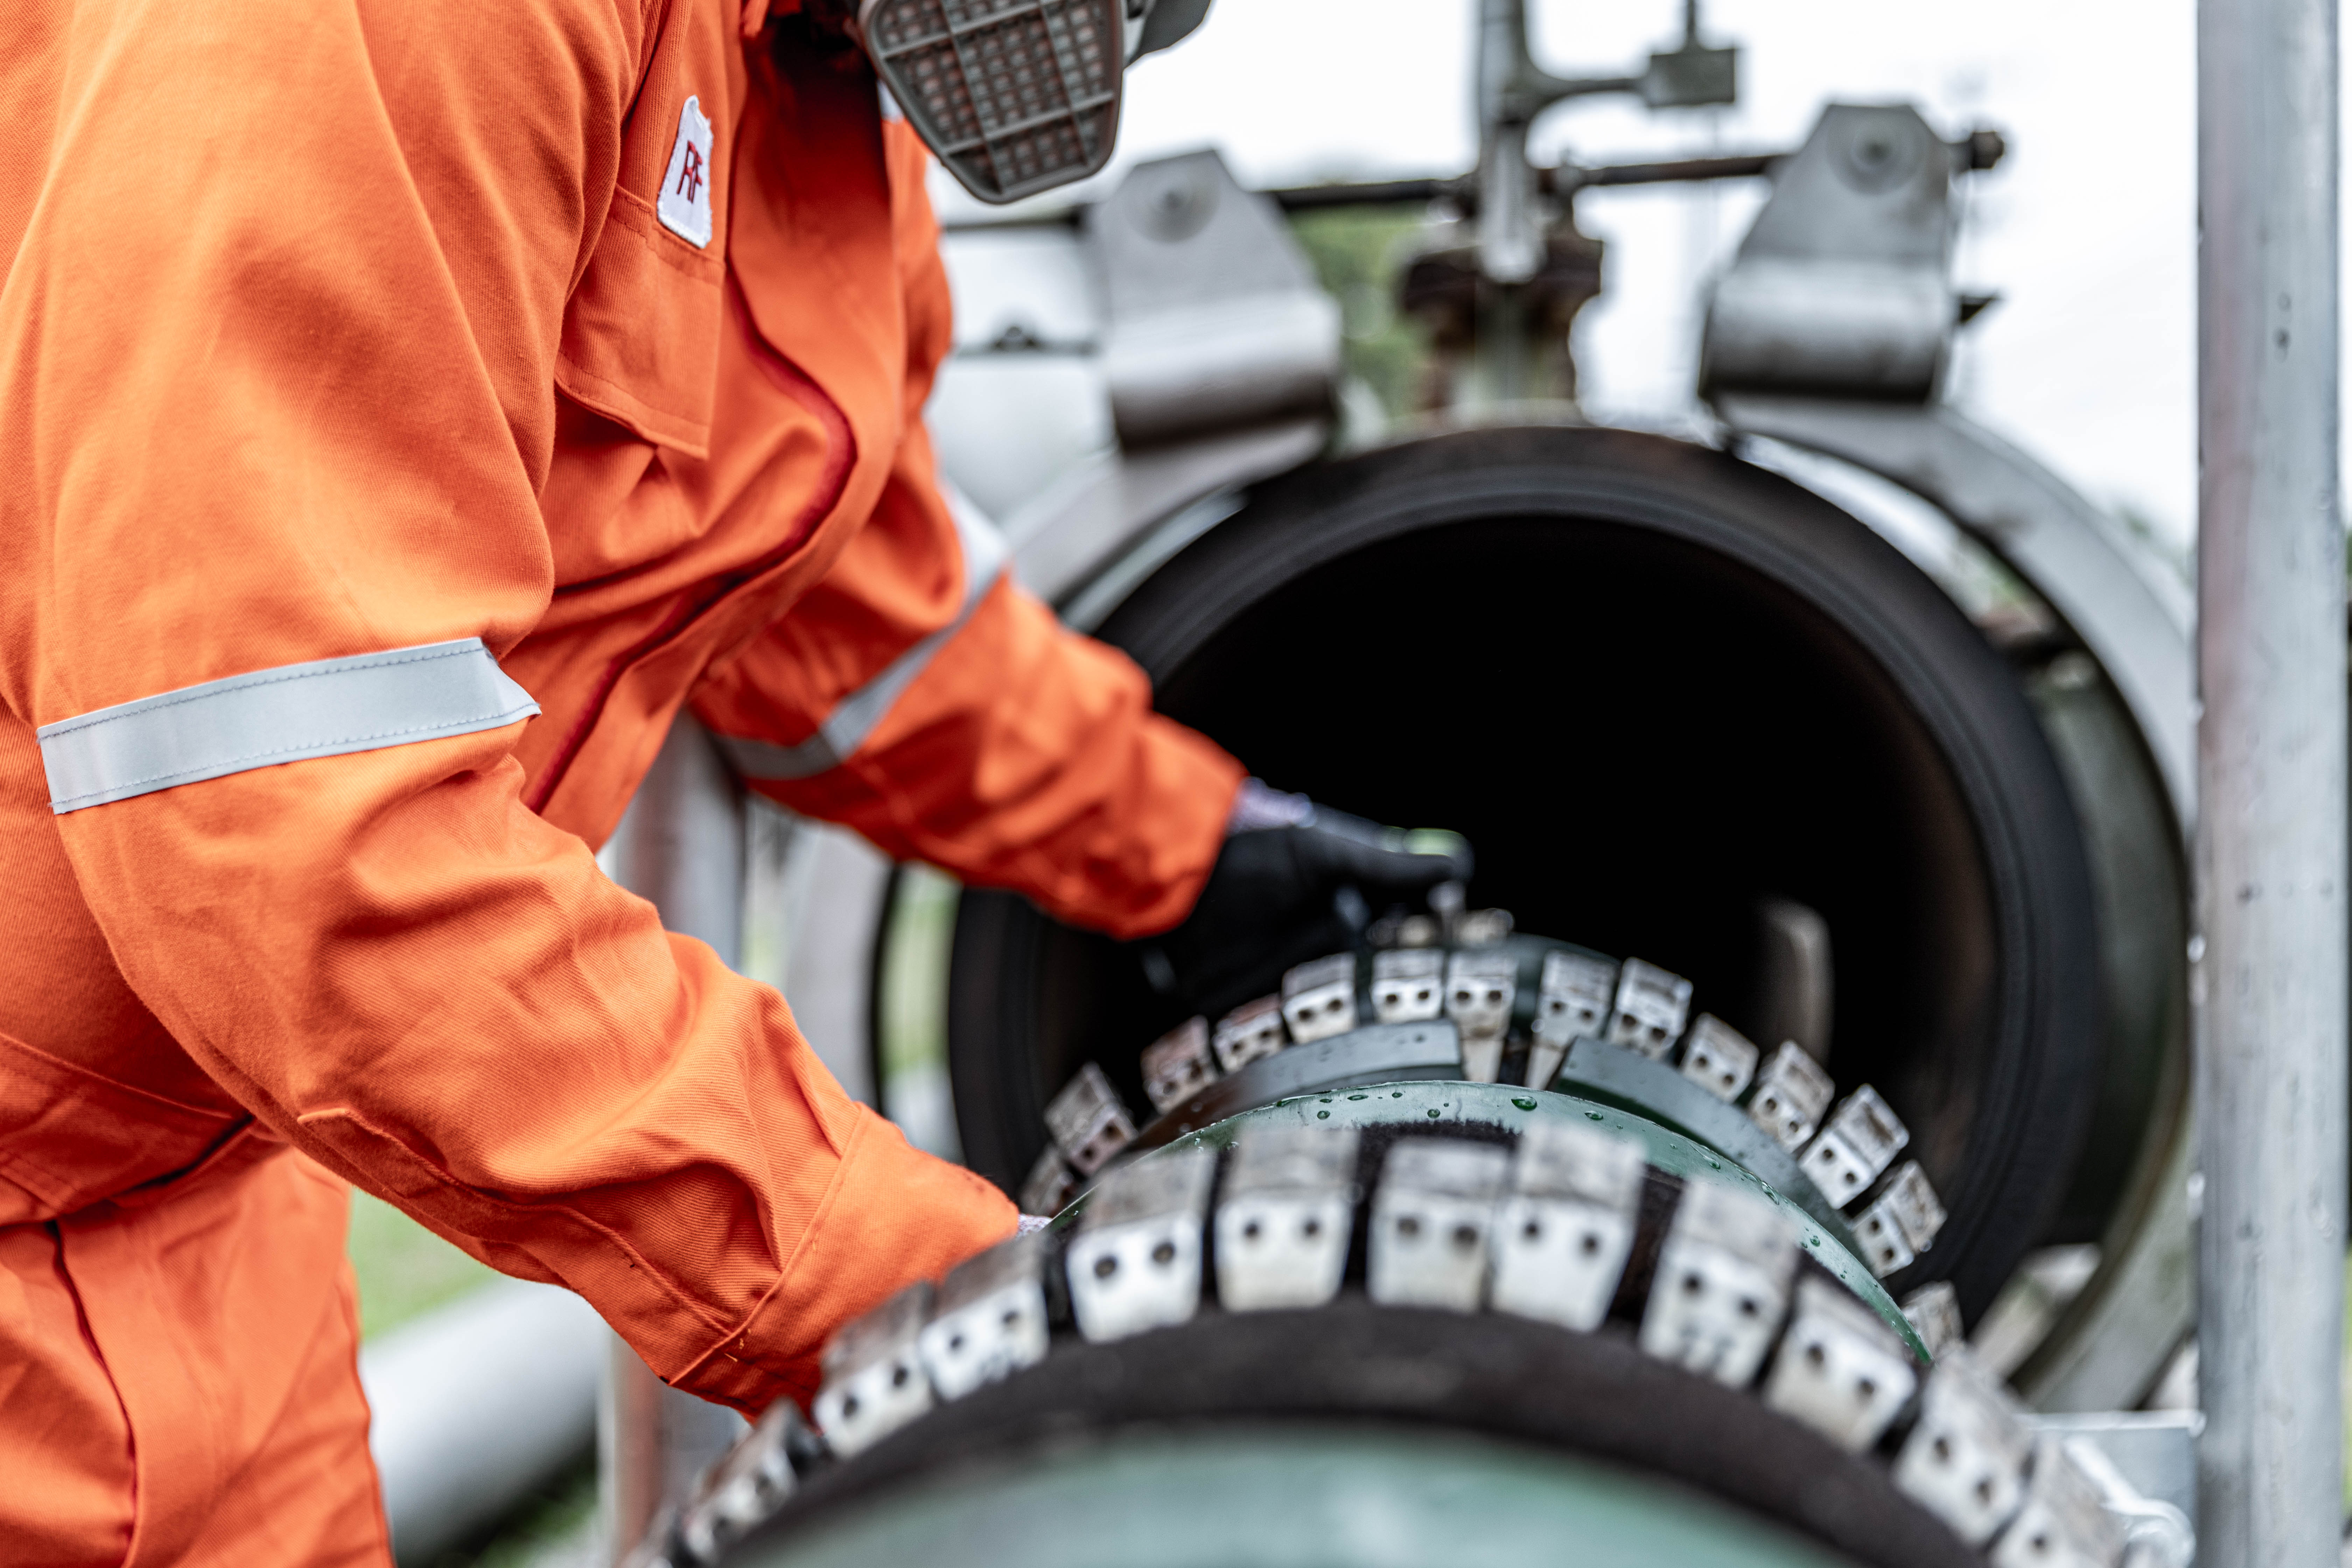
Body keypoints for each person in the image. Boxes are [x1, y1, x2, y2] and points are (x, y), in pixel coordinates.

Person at [0, 0, 1463, 1561]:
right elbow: (293, 828)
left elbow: (847, 611)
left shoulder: (809, 94)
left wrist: (1187, 840)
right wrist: (954, 1302)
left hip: (206, 1216)